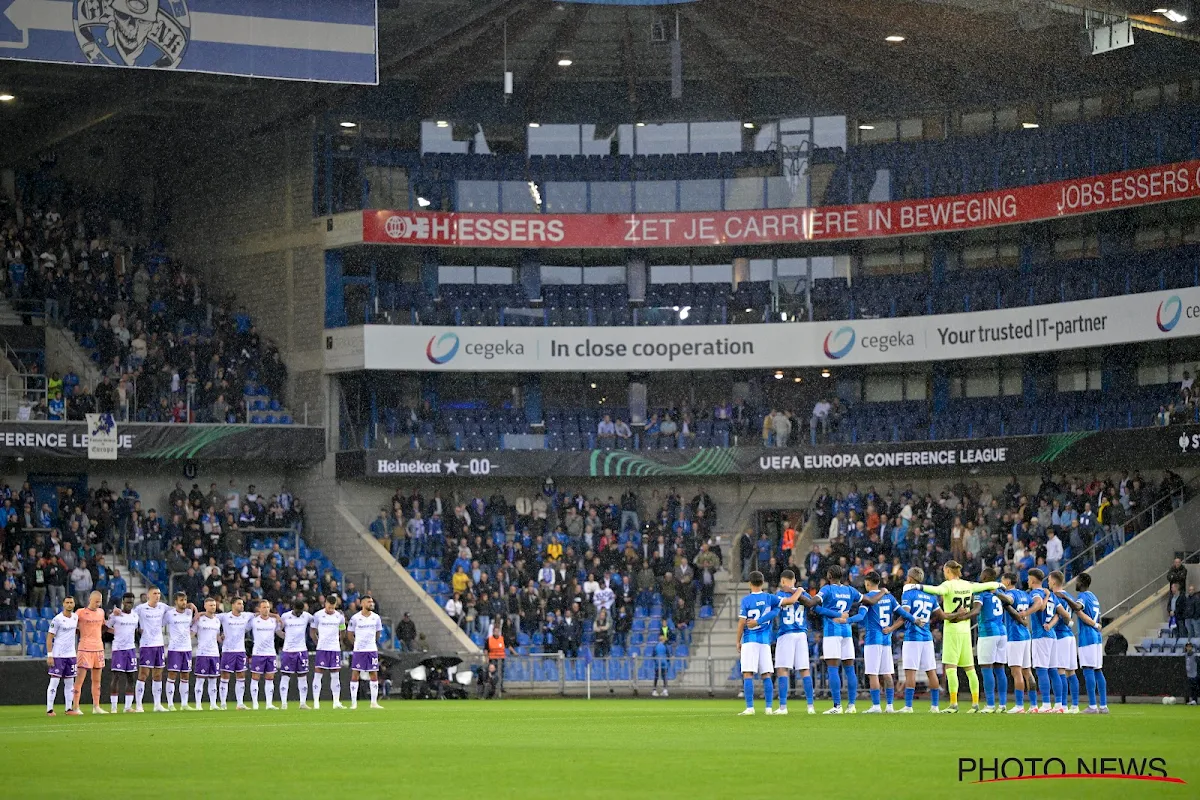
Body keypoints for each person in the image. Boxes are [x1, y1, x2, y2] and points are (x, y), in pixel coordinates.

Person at [920, 560, 1000, 713]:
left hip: (952, 629)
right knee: (970, 669)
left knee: (951, 668)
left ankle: (953, 704)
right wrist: (999, 585)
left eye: (945, 571)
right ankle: (975, 704)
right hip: (966, 630)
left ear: (948, 571)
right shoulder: (968, 585)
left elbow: (935, 590)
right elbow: (988, 585)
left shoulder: (948, 585)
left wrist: (917, 586)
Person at [736, 570, 803, 715]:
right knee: (766, 674)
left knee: (748, 674)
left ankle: (750, 708)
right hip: (765, 641)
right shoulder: (769, 598)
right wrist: (800, 591)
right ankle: (768, 708)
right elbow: (790, 601)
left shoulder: (746, 600)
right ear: (763, 583)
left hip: (749, 640)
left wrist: (737, 641)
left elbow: (741, 623)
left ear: (750, 584)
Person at [856, 571, 910, 714]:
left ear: (868, 583)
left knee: (872, 673)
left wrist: (846, 620)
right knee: (887, 673)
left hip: (873, 639)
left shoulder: (867, 598)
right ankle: (890, 706)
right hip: (886, 639)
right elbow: (903, 614)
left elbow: (861, 616)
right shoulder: (889, 597)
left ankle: (876, 706)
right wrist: (914, 620)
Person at [1056, 572, 1108, 714]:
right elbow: (1099, 618)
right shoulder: (1094, 597)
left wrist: (1065, 597)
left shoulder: (1083, 597)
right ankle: (1103, 705)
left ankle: (1092, 706)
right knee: (1098, 670)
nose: (1075, 583)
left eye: (1077, 581)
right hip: (1097, 636)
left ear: (1082, 582)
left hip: (1088, 637)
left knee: (1088, 669)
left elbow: (1078, 608)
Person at [814, 565, 863, 714]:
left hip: (832, 631)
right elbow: (865, 600)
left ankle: (837, 706)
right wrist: (851, 615)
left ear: (829, 576)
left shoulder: (827, 589)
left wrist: (827, 612)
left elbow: (815, 605)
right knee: (849, 669)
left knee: (833, 668)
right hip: (847, 631)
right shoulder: (849, 590)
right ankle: (852, 705)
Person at [772, 568, 820, 714]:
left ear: (783, 581)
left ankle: (783, 707)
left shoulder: (780, 594)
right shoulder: (803, 594)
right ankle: (810, 706)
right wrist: (798, 590)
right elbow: (811, 605)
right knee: (804, 670)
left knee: (782, 669)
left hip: (786, 632)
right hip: (801, 633)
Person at [899, 567, 942, 713]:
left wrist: (893, 628)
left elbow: (905, 614)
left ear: (910, 579)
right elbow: (940, 615)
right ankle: (935, 706)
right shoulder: (930, 596)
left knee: (910, 672)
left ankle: (908, 706)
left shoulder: (908, 593)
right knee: (931, 671)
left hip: (912, 636)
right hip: (927, 637)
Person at [973, 568, 1009, 714]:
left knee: (986, 668)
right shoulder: (998, 594)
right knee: (1000, 669)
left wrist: (961, 617)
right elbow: (1008, 602)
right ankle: (1003, 704)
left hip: (988, 632)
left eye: (982, 574)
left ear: (986, 577)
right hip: (1002, 631)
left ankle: (989, 705)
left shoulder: (981, 593)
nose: (980, 576)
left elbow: (976, 611)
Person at [998, 572, 1032, 714]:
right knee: (1027, 671)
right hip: (1026, 634)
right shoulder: (1024, 594)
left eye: (1002, 580)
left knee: (1016, 672)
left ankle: (1019, 705)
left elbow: (1009, 600)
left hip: (1015, 635)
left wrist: (995, 592)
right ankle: (1034, 704)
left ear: (1007, 581)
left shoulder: (1011, 594)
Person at [1046, 570, 1080, 713]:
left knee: (1060, 670)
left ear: (1054, 582)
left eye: (1049, 580)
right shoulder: (1068, 595)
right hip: (1070, 636)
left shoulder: (1055, 596)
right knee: (1071, 672)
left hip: (1060, 636)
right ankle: (1075, 705)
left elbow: (1059, 616)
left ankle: (1063, 705)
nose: (1048, 583)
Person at [133, 587, 171, 712]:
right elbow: (130, 616)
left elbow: (176, 611)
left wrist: (192, 606)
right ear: (148, 595)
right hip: (146, 645)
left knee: (158, 674)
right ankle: (139, 704)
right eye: (155, 593)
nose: (157, 595)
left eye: (159, 593)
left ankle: (157, 704)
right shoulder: (141, 609)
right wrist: (138, 628)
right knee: (143, 674)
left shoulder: (163, 607)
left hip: (159, 645)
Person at [1026, 568, 1057, 713]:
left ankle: (1045, 704)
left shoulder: (1036, 593)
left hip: (1040, 635)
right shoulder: (1049, 594)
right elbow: (1059, 613)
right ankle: (1059, 705)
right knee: (1053, 671)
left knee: (1041, 670)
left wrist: (1025, 613)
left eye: (1028, 578)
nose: (1027, 581)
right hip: (1051, 635)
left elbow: (1039, 605)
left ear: (1032, 580)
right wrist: (1051, 625)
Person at [45, 596, 82, 716]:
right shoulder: (57, 620)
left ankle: (68, 708)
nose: (69, 605)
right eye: (67, 602)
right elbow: (49, 637)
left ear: (74, 604)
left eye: (71, 602)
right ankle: (50, 709)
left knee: (70, 683)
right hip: (58, 655)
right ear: (63, 604)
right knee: (54, 681)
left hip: (71, 655)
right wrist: (50, 655)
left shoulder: (75, 617)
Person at [347, 596, 385, 709]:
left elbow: (378, 633)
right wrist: (356, 644)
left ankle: (374, 702)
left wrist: (372, 642)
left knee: (373, 674)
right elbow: (349, 634)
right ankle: (353, 703)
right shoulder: (355, 618)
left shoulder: (376, 618)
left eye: (372, 602)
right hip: (359, 651)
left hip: (372, 650)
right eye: (369, 602)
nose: (371, 604)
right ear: (362, 604)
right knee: (355, 675)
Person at [72, 591, 107, 714]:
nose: (98, 604)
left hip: (98, 648)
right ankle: (75, 706)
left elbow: (103, 627)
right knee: (80, 679)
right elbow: (73, 628)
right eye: (96, 601)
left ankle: (96, 706)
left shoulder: (101, 612)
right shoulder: (80, 612)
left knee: (97, 680)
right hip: (85, 648)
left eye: (100, 601)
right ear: (90, 599)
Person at [311, 596, 347, 709]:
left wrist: (340, 641)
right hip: (322, 649)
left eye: (333, 607)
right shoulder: (317, 615)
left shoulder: (339, 617)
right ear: (325, 604)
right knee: (318, 674)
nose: (330, 609)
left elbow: (343, 631)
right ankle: (316, 702)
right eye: (329, 607)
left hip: (335, 649)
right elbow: (312, 632)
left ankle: (336, 702)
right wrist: (318, 644)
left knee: (335, 675)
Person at [218, 597, 253, 710]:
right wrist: (218, 635)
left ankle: (240, 703)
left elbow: (259, 614)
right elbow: (210, 618)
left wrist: (275, 616)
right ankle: (223, 703)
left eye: (242, 604)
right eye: (239, 604)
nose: (241, 606)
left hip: (241, 651)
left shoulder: (246, 616)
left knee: (241, 676)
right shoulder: (224, 616)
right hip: (228, 651)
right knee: (225, 676)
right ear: (233, 605)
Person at [106, 594, 139, 712]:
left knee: (131, 677)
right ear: (123, 602)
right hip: (118, 649)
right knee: (116, 677)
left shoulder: (135, 616)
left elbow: (134, 630)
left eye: (131, 602)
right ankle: (114, 707)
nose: (129, 604)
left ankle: (128, 707)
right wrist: (117, 633)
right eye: (127, 602)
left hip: (130, 649)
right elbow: (106, 627)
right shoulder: (116, 615)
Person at [164, 592, 197, 711]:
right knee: (172, 675)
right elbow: (161, 624)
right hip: (174, 649)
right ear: (175, 602)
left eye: (185, 600)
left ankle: (184, 704)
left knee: (185, 676)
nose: (184, 602)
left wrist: (194, 608)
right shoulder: (170, 614)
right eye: (181, 600)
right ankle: (170, 704)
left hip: (187, 649)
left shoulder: (189, 612)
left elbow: (195, 622)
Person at [279, 600, 313, 710]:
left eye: (301, 612)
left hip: (302, 650)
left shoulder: (306, 616)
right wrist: (286, 637)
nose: (300, 614)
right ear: (293, 608)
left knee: (303, 677)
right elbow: (277, 629)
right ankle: (284, 703)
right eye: (298, 612)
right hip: (288, 651)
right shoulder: (285, 616)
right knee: (285, 676)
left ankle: (302, 703)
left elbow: (317, 620)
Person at [248, 600, 281, 710]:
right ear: (259, 609)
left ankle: (269, 704)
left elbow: (279, 633)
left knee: (270, 677)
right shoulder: (254, 621)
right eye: (264, 607)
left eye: (267, 607)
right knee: (255, 677)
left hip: (271, 653)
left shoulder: (273, 621)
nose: (266, 609)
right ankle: (255, 703)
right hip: (258, 653)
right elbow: (244, 629)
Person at [191, 597, 223, 711]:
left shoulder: (217, 620)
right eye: (210, 605)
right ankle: (198, 704)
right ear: (205, 606)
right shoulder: (199, 619)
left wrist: (223, 638)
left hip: (214, 653)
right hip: (202, 653)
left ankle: (213, 704)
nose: (213, 607)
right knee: (200, 679)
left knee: (213, 679)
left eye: (214, 605)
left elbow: (218, 637)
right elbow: (192, 633)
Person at [486, 625, 510, 697]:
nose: (497, 632)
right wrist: (486, 658)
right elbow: (486, 649)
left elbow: (508, 646)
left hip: (501, 659)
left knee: (501, 674)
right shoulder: (489, 639)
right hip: (493, 659)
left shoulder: (502, 639)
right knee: (493, 674)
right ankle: (493, 687)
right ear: (493, 632)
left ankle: (500, 687)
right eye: (495, 631)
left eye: (498, 631)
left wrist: (515, 653)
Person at [652, 633, 670, 697]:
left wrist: (656, 661)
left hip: (657, 663)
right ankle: (665, 690)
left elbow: (653, 655)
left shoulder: (656, 646)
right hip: (664, 663)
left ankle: (654, 690)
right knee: (664, 677)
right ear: (663, 640)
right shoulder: (665, 646)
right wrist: (667, 661)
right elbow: (668, 655)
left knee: (656, 677)